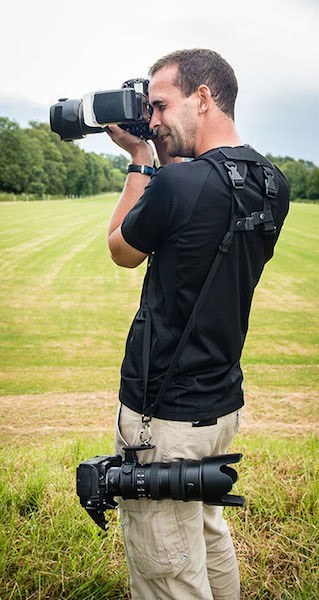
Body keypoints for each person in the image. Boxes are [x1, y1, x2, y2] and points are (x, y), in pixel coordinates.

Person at [107, 49, 289, 600]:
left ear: (203, 98)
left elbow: (121, 249)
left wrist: (141, 157)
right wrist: (161, 153)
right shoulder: (271, 182)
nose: (154, 119)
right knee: (208, 540)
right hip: (219, 404)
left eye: (160, 105)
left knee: (168, 570)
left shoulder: (175, 185)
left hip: (162, 413)